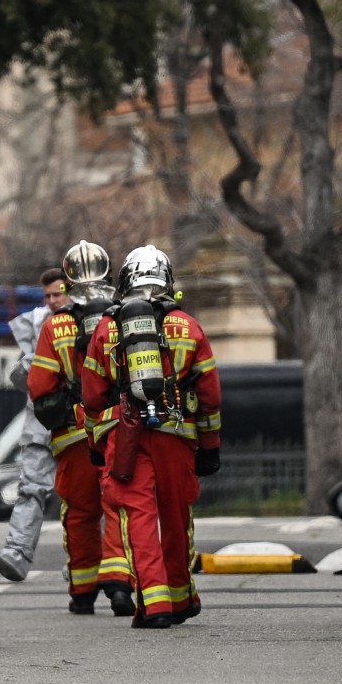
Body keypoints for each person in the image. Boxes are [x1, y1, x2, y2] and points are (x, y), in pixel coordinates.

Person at [81, 244, 222, 629]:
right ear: (167, 280)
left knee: (138, 518)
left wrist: (97, 445)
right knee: (175, 516)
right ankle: (180, 598)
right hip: (176, 435)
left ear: (125, 281)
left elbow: (92, 395)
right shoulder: (189, 327)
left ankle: (154, 604)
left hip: (125, 437)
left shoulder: (108, 328)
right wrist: (210, 448)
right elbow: (209, 396)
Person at [26, 241, 134, 616]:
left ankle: (83, 590)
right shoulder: (124, 317)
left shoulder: (55, 327)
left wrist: (69, 412)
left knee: (80, 511)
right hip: (120, 429)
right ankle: (120, 585)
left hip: (74, 435)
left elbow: (40, 390)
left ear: (67, 281)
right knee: (119, 506)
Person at [0, 268, 69, 581]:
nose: (52, 300)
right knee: (30, 488)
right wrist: (27, 366)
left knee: (84, 496)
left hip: (77, 423)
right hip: (41, 423)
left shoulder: (84, 320)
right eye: (47, 295)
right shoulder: (36, 324)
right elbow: (22, 379)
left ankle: (87, 564)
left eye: (57, 293)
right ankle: (17, 553)